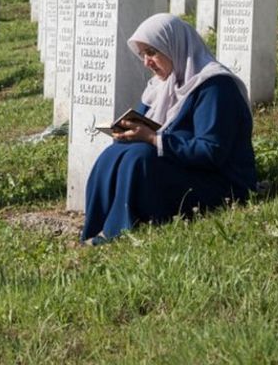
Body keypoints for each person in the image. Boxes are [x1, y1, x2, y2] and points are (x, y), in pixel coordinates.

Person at [81, 13, 257, 244]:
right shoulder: (160, 86)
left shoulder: (214, 87)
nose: (146, 62)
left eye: (152, 52)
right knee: (112, 154)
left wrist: (154, 139)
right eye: (142, 54)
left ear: (175, 46)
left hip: (219, 182)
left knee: (139, 158)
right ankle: (96, 226)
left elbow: (212, 151)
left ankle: (119, 230)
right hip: (183, 166)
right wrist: (127, 133)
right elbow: (143, 125)